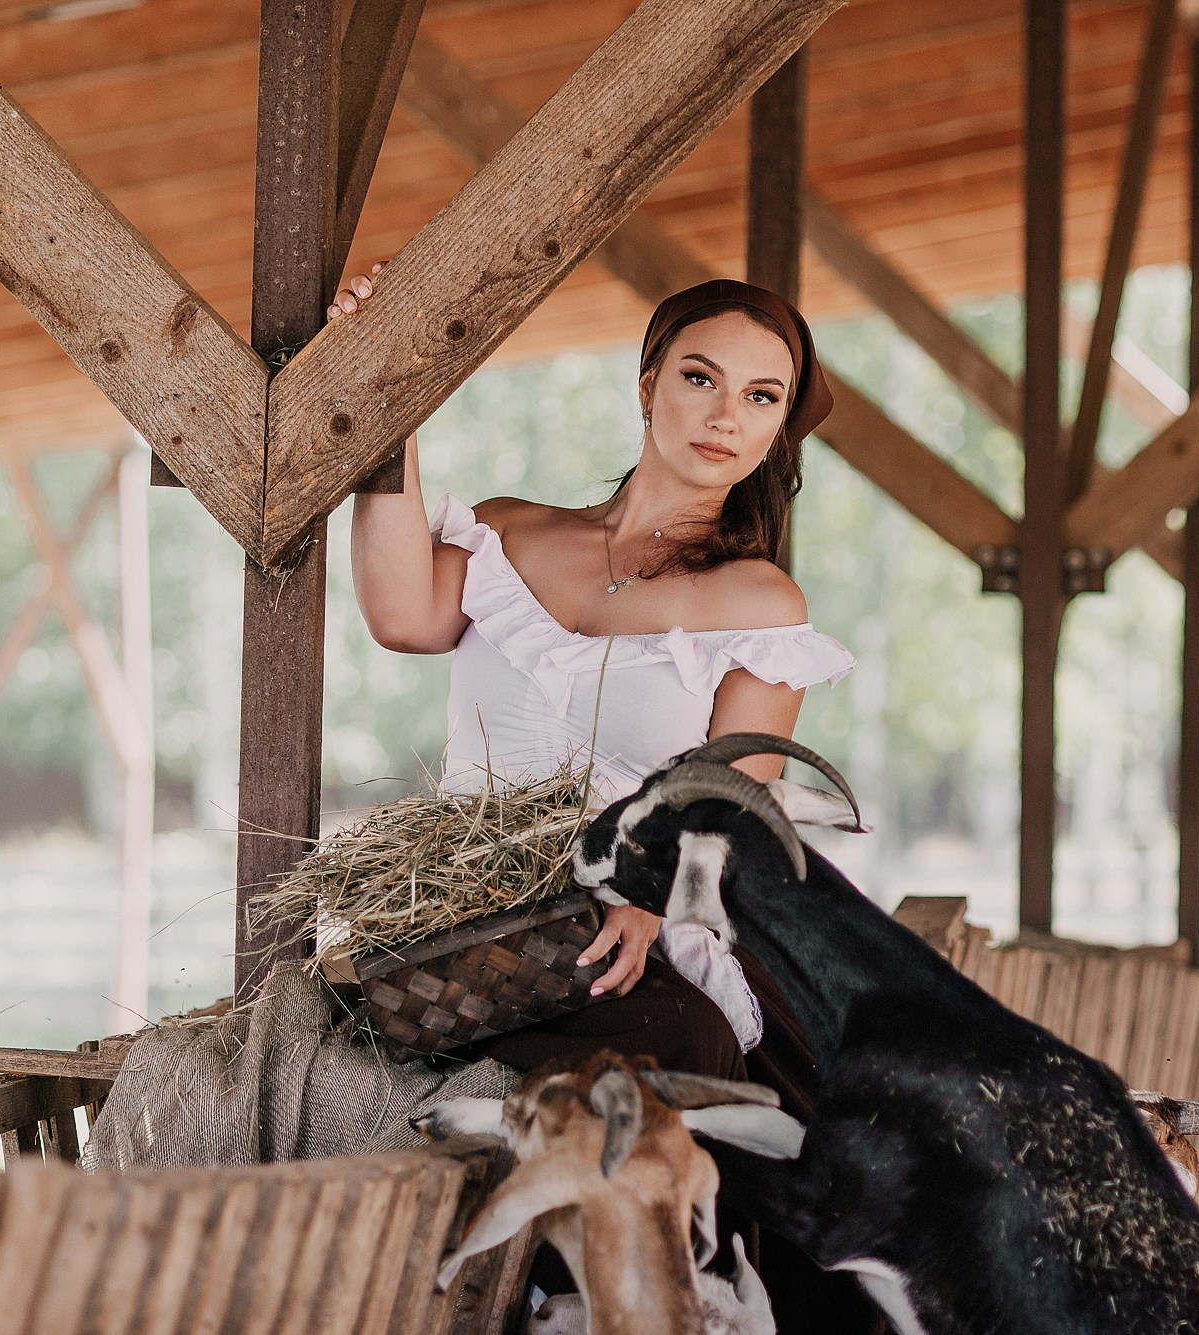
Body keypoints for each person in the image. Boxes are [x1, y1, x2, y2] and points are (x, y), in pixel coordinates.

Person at [337, 274, 877, 1329]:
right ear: (645, 387)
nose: (727, 415)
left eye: (763, 398)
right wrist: (381, 379)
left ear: (777, 429)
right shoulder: (508, 534)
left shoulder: (758, 602)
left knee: (680, 1046)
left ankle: (657, 1298)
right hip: (466, 906)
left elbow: (732, 797)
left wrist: (642, 897)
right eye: (699, 377)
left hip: (640, 915)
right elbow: (400, 616)